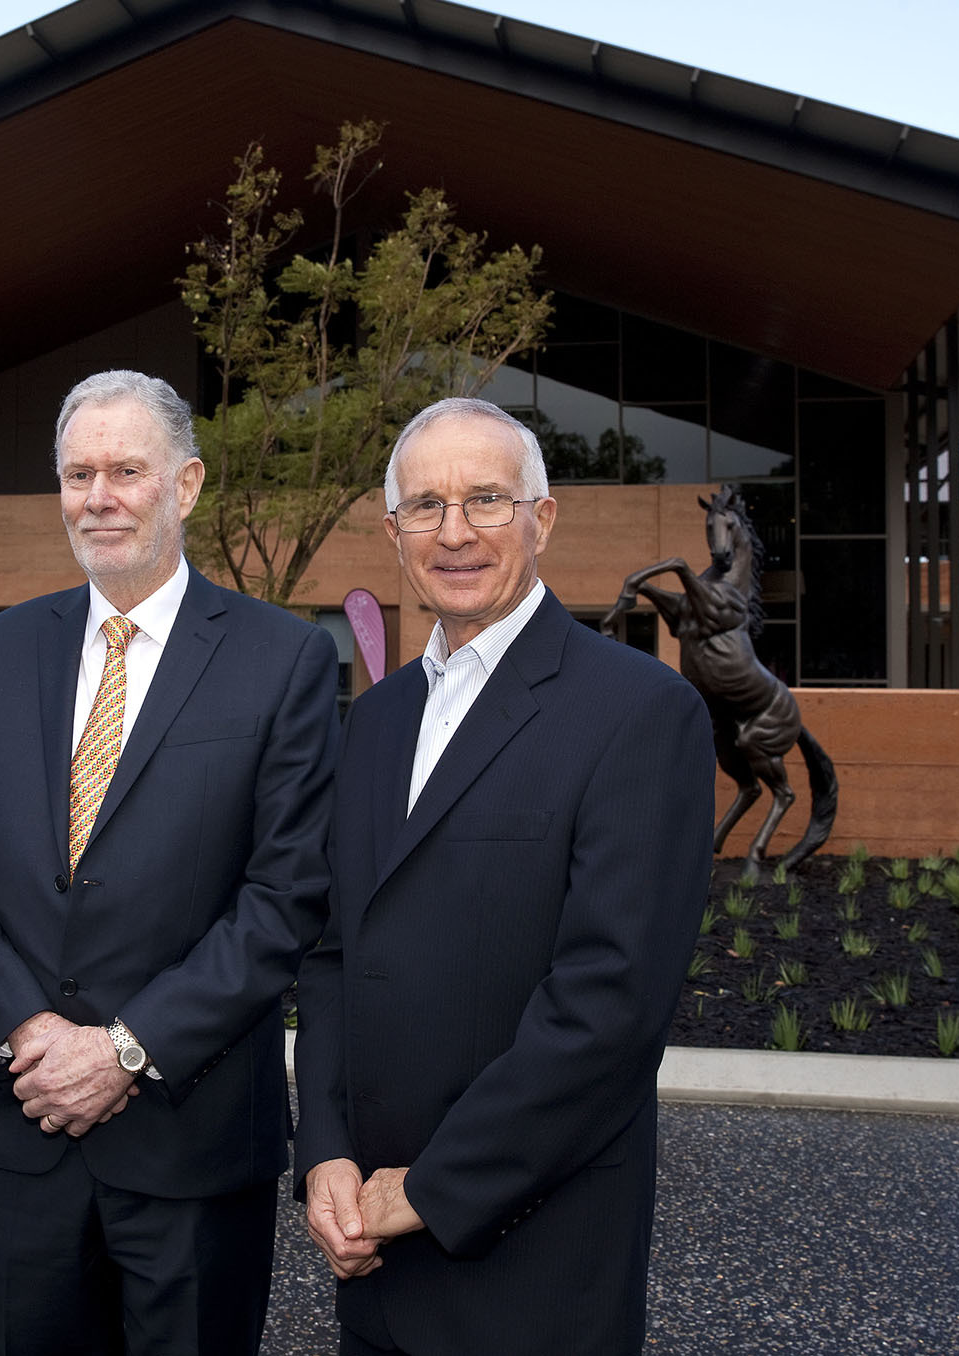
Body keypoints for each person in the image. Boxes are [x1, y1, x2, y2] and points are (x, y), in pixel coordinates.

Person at [0, 369, 340, 1355]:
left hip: (187, 1137)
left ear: (183, 487)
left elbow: (284, 897)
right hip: (23, 1125)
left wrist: (123, 1049)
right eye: (75, 474)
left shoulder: (281, 660)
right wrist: (29, 1031)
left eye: (124, 471)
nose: (96, 497)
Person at [293, 397, 715, 1356]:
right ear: (392, 529)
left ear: (543, 517)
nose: (455, 533)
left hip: (532, 1264)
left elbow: (610, 1007)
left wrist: (432, 1189)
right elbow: (330, 956)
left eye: (487, 500)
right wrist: (324, 1151)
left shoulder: (640, 713)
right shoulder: (376, 719)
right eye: (426, 506)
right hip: (373, 1257)